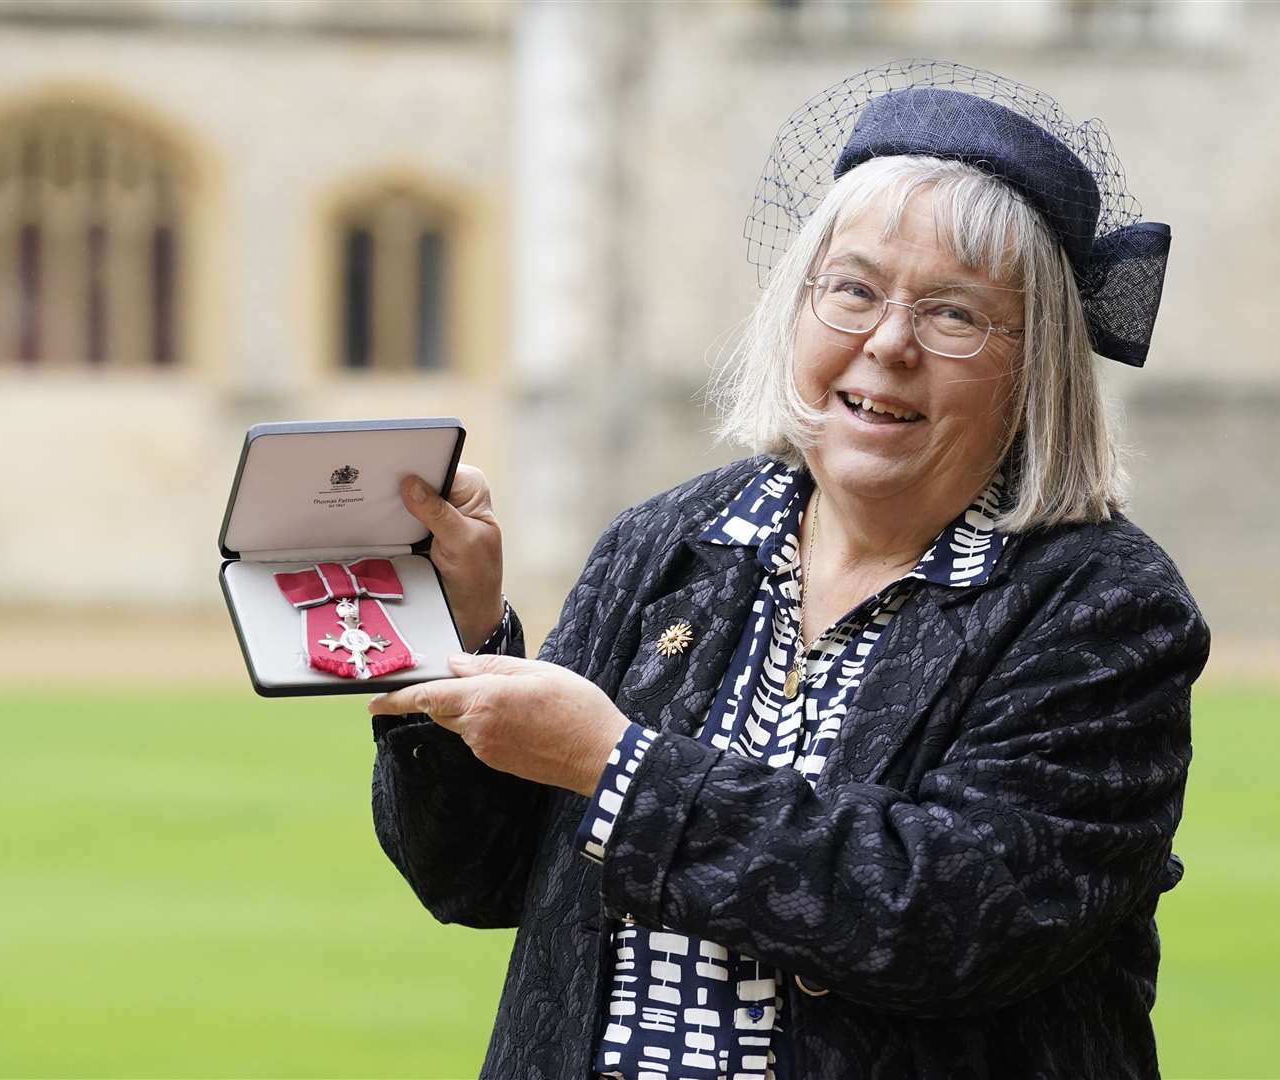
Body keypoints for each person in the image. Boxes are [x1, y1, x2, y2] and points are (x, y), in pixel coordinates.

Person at [367, 61, 1209, 1080]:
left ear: (1037, 368)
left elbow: (947, 916)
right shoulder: (665, 542)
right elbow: (477, 881)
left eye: (953, 315)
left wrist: (618, 768)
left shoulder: (1102, 604)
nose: (888, 343)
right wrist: (454, 637)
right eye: (852, 290)